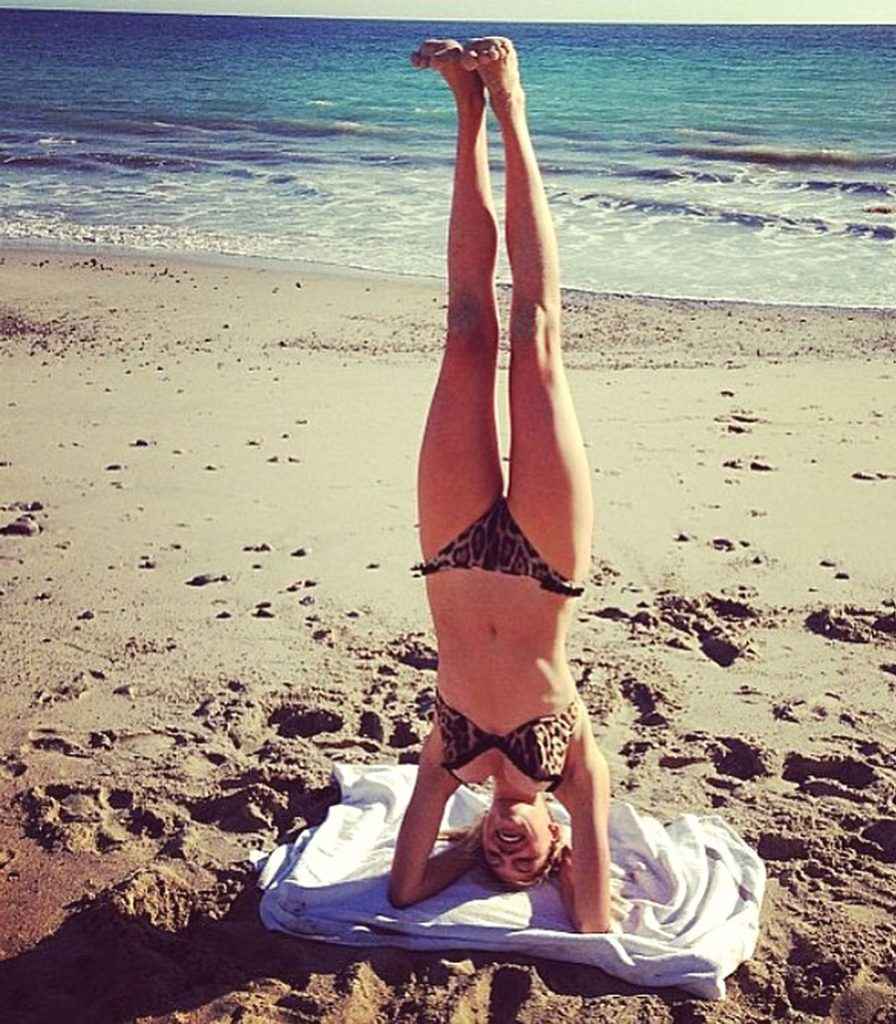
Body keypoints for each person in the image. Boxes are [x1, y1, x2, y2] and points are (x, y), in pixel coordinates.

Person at [388, 36, 613, 934]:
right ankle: (511, 104)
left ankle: (463, 107)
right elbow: (593, 922)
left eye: (496, 858)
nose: (508, 852)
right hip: (546, 565)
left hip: (451, 553)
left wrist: (460, 858)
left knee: (464, 330)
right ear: (558, 842)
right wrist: (568, 873)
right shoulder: (576, 773)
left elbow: (406, 889)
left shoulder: (450, 766)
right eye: (530, 860)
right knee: (537, 338)